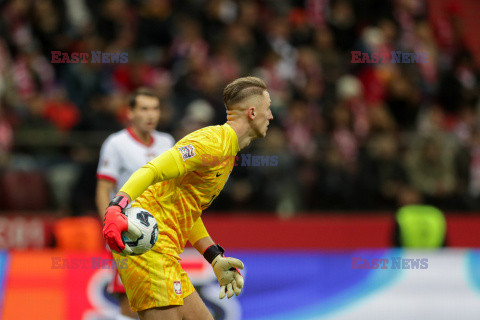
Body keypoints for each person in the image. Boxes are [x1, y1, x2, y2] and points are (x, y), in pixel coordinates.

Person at [102, 76, 273, 320]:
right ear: (253, 112)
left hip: (166, 251)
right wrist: (116, 207)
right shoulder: (211, 144)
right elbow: (152, 169)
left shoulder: (227, 152)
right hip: (148, 245)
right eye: (268, 109)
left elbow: (188, 210)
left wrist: (214, 257)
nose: (272, 116)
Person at [96, 88, 174, 320]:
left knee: (166, 303)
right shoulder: (116, 143)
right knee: (130, 305)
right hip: (129, 233)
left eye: (155, 108)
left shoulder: (167, 141)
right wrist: (109, 231)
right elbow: (103, 191)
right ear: (130, 113)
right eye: (144, 109)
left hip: (162, 235)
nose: (151, 115)